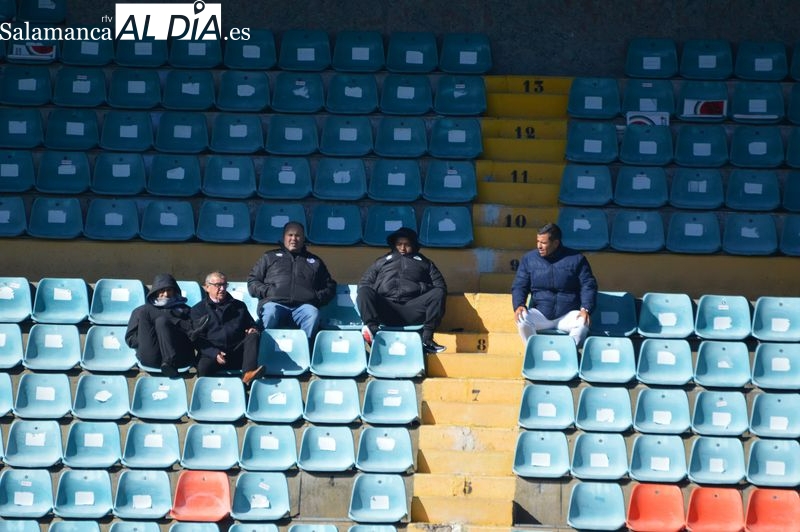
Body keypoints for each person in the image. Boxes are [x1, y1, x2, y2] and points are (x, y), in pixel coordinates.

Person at [357, 227, 447, 354]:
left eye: (407, 245)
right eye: (399, 244)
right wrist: (379, 288)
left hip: (412, 309)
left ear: (414, 245)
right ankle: (373, 331)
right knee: (364, 291)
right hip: (386, 308)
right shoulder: (382, 261)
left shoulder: (426, 263)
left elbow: (440, 286)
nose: (402, 248)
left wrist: (421, 287)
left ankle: (426, 339)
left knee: (438, 293)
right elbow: (364, 283)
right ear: (394, 244)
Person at [511, 223, 598, 347]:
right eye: (538, 241)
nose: (539, 246)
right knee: (522, 318)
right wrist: (519, 304)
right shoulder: (529, 259)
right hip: (541, 313)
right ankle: (534, 353)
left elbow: (588, 285)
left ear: (556, 243)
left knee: (583, 322)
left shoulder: (577, 259)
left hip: (567, 314)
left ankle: (568, 354)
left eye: (544, 243)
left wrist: (586, 308)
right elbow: (519, 285)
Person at [247, 221, 336, 340]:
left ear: (303, 238)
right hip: (274, 304)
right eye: (290, 235)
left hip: (303, 307)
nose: (294, 238)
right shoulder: (269, 257)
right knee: (270, 312)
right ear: (284, 237)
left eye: (298, 235)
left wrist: (315, 297)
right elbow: (252, 281)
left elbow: (330, 286)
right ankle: (263, 350)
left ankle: (304, 352)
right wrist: (268, 291)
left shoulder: (315, 261)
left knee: (313, 313)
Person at [190, 271, 264, 385]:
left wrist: (252, 329)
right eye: (218, 285)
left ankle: (248, 376)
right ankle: (205, 397)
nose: (222, 288)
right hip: (213, 354)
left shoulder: (239, 306)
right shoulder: (198, 310)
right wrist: (214, 353)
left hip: (236, 353)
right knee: (203, 367)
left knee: (253, 335)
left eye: (224, 284)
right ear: (207, 287)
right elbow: (196, 338)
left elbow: (252, 324)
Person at [125, 273, 198, 376]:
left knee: (161, 322)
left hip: (178, 357)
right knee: (147, 313)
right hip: (151, 356)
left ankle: (169, 361)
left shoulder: (185, 310)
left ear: (175, 291)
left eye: (169, 290)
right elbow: (130, 339)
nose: (166, 294)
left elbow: (194, 338)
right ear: (155, 292)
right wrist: (149, 338)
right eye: (161, 290)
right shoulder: (142, 311)